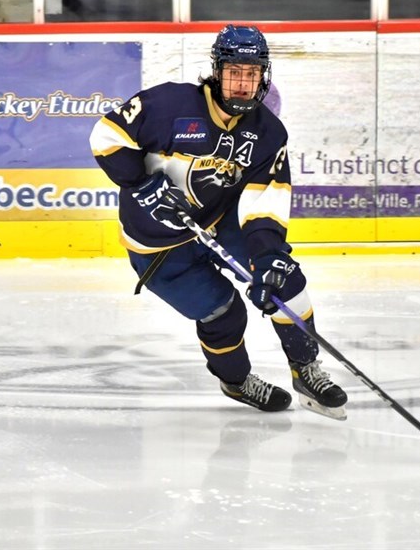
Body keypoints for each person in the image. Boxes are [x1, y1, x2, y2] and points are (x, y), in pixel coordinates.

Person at [89, 24, 348, 419]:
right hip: (157, 245)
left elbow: (265, 201)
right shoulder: (169, 105)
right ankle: (237, 381)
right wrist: (141, 184)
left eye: (252, 73)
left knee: (284, 279)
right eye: (234, 72)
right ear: (217, 71)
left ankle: (306, 369)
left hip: (218, 221)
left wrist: (269, 255)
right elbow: (106, 136)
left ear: (264, 76)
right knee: (225, 313)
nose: (243, 83)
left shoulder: (268, 132)